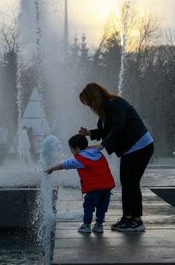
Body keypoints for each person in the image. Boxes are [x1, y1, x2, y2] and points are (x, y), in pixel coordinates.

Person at [78, 82, 154, 233]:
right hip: (130, 149)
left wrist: (103, 145)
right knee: (126, 182)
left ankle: (137, 220)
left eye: (89, 102)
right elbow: (104, 131)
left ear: (95, 97)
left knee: (131, 183)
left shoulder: (115, 103)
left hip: (140, 146)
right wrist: (89, 133)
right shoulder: (105, 110)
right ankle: (127, 218)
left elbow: (118, 127)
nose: (89, 106)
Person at [45, 134, 115, 234]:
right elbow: (98, 146)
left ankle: (86, 225)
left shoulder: (80, 160)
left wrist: (52, 168)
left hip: (93, 189)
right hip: (106, 188)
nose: (72, 152)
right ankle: (99, 225)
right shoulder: (97, 153)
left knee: (88, 207)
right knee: (102, 207)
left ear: (77, 149)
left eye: (71, 149)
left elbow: (65, 164)